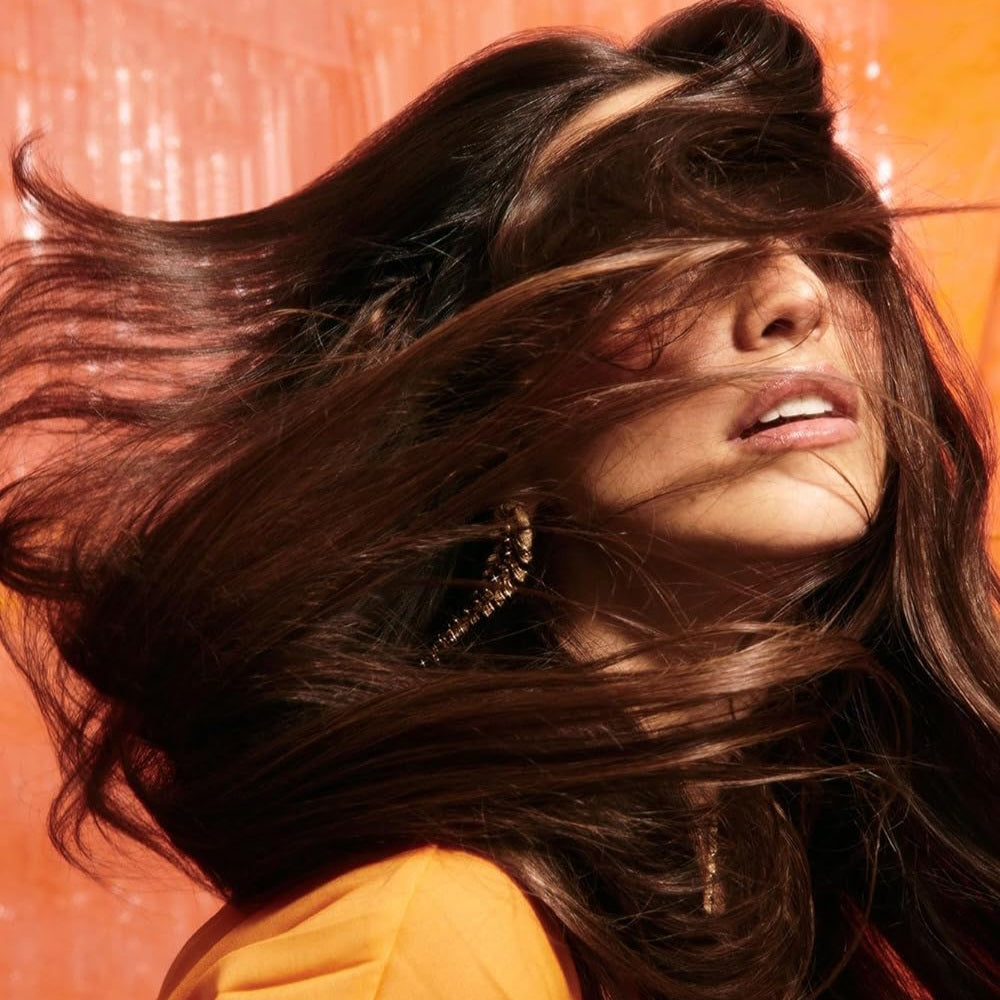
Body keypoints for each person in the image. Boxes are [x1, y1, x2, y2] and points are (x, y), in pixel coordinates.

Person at [0, 1, 997, 998]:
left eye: (828, 237)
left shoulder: (800, 909)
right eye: (663, 249)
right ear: (496, 425)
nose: (797, 295)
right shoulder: (405, 952)